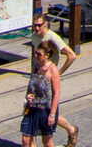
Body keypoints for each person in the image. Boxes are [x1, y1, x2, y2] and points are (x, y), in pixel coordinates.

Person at [30, 14, 79, 144]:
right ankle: (71, 129)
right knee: (40, 109)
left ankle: (70, 129)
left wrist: (59, 72)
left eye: (39, 25)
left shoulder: (53, 37)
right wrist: (33, 75)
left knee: (49, 111)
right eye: (34, 25)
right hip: (39, 78)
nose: (36, 27)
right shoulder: (34, 37)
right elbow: (34, 57)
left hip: (50, 78)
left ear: (45, 25)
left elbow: (72, 55)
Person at [22, 43, 58, 147]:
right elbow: (31, 85)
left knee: (47, 141)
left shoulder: (52, 69)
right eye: (35, 53)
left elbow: (56, 93)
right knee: (26, 140)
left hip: (45, 109)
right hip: (31, 107)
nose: (36, 56)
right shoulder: (36, 66)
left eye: (39, 54)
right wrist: (28, 97)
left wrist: (52, 114)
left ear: (47, 55)